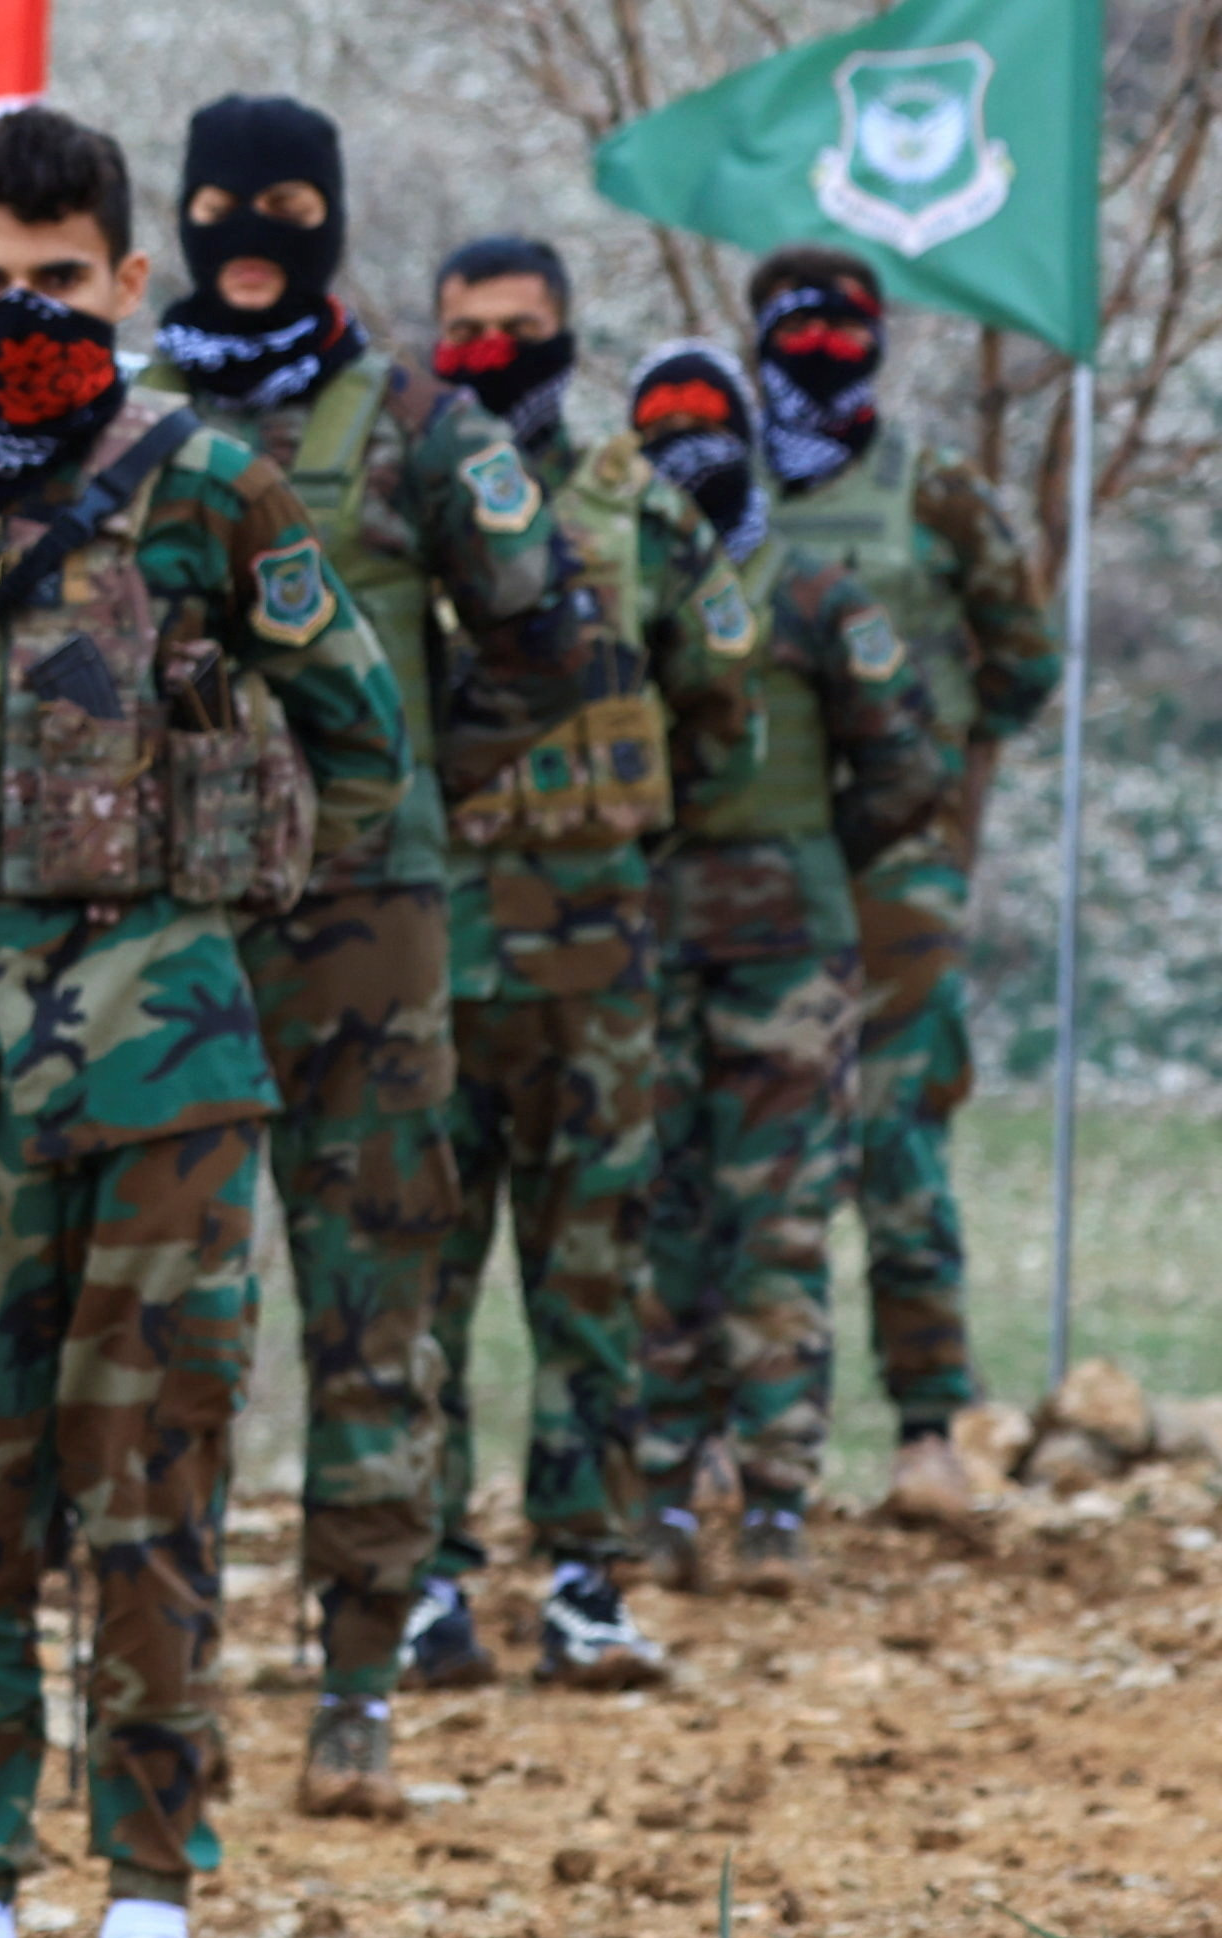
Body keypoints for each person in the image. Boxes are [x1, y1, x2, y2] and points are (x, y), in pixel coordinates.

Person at [0, 105, 417, 1938]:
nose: (20, 312)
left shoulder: (212, 490)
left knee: (153, 1490)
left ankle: (153, 1924)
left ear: (128, 283)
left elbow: (364, 743)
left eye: (57, 280)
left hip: (162, 1072)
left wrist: (222, 911)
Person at [132, 97, 590, 1819]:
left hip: (365, 926)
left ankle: (357, 1682)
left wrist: (405, 781)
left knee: (372, 1304)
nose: (251, 238)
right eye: (219, 209)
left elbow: (544, 635)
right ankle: (165, 1688)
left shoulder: (415, 422)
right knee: (163, 1319)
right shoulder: (130, 428)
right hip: (167, 921)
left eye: (287, 206)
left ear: (330, 221)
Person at [402, 238, 739, 1702]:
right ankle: (421, 1585)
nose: (489, 350)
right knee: (416, 1288)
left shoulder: (637, 510)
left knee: (590, 1281)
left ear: (565, 334)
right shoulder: (389, 509)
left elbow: (719, 711)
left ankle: (585, 1585)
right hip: (422, 966)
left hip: (594, 972)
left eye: (516, 327)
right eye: (463, 328)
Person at [732, 249, 1061, 1524]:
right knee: (745, 1150)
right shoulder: (719, 491)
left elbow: (1022, 664)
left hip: (895, 873)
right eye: (795, 325)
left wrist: (932, 767)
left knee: (894, 1136)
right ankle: (739, 1438)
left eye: (843, 326)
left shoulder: (937, 495)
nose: (819, 347)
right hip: (752, 864)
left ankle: (927, 1423)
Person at [629, 341, 962, 1587]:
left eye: (703, 423)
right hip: (651, 949)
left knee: (773, 1225)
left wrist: (810, 850)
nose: (684, 449)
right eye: (658, 429)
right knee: (657, 1220)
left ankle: (774, 1496)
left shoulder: (816, 595)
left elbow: (906, 761)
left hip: (786, 963)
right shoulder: (618, 589)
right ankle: (661, 1490)